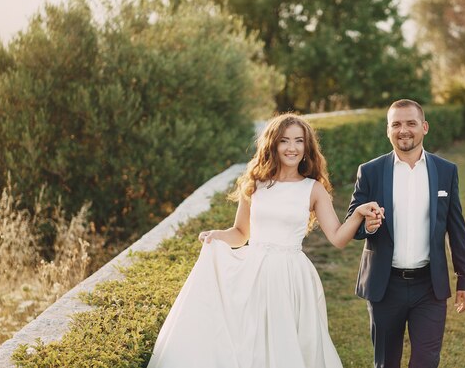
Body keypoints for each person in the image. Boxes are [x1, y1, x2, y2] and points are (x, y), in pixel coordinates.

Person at [147, 113, 383, 368]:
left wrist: (358, 214)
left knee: (286, 343)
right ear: (273, 144)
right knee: (252, 340)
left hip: (291, 276)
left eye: (298, 141)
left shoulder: (313, 189)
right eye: (284, 141)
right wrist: (217, 236)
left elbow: (337, 238)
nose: (291, 148)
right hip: (254, 273)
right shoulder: (256, 184)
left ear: (307, 147)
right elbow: (240, 232)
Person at [346, 99, 465, 368]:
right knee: (386, 362)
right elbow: (352, 222)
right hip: (385, 285)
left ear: (424, 127)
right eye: (396, 124)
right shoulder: (370, 171)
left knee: (426, 361)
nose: (403, 130)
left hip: (429, 286)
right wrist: (366, 226)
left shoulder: (445, 171)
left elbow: (456, 227)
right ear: (388, 130)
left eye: (410, 123)